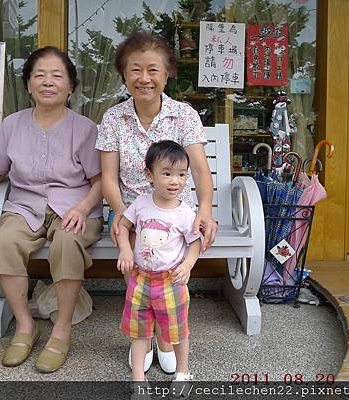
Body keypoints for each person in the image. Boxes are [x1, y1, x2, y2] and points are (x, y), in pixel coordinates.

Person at [0, 46, 104, 372]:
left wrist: (83, 208)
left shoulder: (85, 128)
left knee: (67, 241)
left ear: (70, 87)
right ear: (28, 84)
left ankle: (61, 330)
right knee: (4, 240)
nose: (48, 82)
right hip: (25, 205)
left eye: (57, 76)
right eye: (39, 75)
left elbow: (101, 181)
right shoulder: (12, 125)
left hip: (75, 207)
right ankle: (25, 325)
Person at [96, 31, 218, 374]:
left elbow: (200, 171)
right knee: (136, 266)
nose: (144, 78)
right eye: (135, 70)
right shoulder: (113, 118)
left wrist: (205, 210)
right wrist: (122, 215)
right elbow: (108, 177)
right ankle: (143, 334)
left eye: (153, 70)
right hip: (130, 209)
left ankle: (167, 335)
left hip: (175, 210)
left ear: (167, 75)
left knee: (175, 263)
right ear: (124, 74)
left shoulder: (184, 115)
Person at [117, 141, 200, 386]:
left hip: (171, 281)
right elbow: (123, 226)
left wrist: (188, 264)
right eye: (167, 174)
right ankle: (138, 381)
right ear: (149, 175)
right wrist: (125, 250)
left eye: (182, 175)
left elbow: (195, 242)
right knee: (139, 332)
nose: (175, 181)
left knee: (178, 331)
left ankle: (182, 374)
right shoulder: (141, 203)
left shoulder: (185, 213)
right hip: (140, 280)